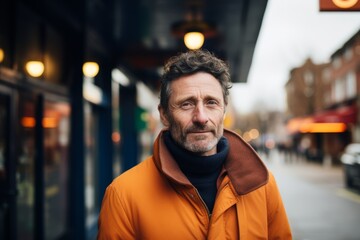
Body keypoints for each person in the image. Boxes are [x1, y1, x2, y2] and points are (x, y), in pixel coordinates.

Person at [97, 50, 292, 239]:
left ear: (224, 111)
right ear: (164, 114)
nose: (201, 117)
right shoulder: (123, 196)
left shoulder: (262, 186)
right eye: (186, 104)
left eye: (211, 103)